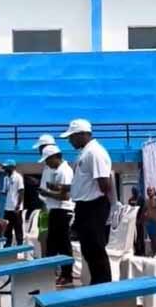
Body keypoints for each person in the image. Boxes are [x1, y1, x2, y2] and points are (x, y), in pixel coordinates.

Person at [61, 118, 112, 285]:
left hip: (94, 205)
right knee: (88, 249)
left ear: (82, 134)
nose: (69, 141)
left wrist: (92, 199)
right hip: (84, 206)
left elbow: (104, 184)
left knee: (96, 248)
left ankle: (103, 285)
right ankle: (97, 281)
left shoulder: (94, 153)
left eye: (71, 137)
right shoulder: (85, 152)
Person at [37, 144, 74, 286]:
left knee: (63, 244)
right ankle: (49, 272)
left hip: (63, 210)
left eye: (48, 160)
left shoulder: (64, 171)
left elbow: (65, 196)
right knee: (52, 244)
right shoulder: (57, 170)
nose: (47, 163)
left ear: (55, 157)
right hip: (55, 210)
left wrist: (47, 193)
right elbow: (60, 190)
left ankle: (67, 275)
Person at [0, 160, 24, 247]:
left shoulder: (18, 177)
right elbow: (5, 191)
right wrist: (3, 192)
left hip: (16, 208)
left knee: (18, 228)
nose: (4, 169)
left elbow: (21, 191)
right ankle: (8, 245)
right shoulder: (6, 178)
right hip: (7, 207)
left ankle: (20, 245)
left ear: (12, 167)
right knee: (7, 227)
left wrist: (18, 205)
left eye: (6, 167)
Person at [128, 187, 146, 257]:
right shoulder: (130, 200)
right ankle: (137, 251)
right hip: (133, 221)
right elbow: (129, 209)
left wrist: (140, 220)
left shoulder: (141, 198)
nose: (134, 192)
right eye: (132, 191)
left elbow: (143, 210)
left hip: (140, 221)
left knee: (140, 236)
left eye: (135, 190)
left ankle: (142, 252)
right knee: (134, 237)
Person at [144, 186, 156, 256]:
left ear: (154, 191)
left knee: (154, 239)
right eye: (148, 190)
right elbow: (145, 210)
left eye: (150, 190)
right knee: (152, 239)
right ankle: (154, 253)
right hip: (149, 223)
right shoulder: (147, 201)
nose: (149, 192)